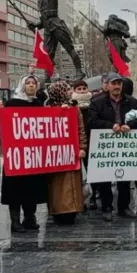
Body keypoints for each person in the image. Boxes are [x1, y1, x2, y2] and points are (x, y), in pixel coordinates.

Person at [88, 73, 137, 221]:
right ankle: (107, 207)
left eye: (119, 84)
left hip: (124, 145)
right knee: (105, 178)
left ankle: (123, 207)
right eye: (113, 84)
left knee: (125, 178)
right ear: (107, 86)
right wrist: (109, 126)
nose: (117, 87)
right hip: (105, 146)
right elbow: (91, 121)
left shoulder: (131, 101)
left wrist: (130, 125)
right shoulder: (97, 102)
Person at [2, 74, 47, 233]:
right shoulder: (12, 103)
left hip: (33, 154)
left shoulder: (38, 104)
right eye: (27, 83)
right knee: (14, 187)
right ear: (22, 86)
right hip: (15, 153)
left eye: (33, 83)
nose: (31, 86)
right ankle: (15, 221)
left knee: (31, 186)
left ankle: (30, 217)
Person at [45, 81, 86, 225]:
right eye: (67, 89)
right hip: (55, 155)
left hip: (72, 152)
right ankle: (58, 211)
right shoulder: (47, 109)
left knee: (73, 183)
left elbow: (80, 130)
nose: (70, 92)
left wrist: (82, 147)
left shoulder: (74, 108)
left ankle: (73, 209)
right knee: (58, 185)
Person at [72, 80, 95, 210]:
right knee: (77, 174)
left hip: (91, 141)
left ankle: (92, 198)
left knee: (91, 171)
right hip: (74, 143)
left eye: (84, 88)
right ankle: (78, 199)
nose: (82, 91)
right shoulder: (70, 105)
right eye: (79, 89)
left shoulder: (94, 104)